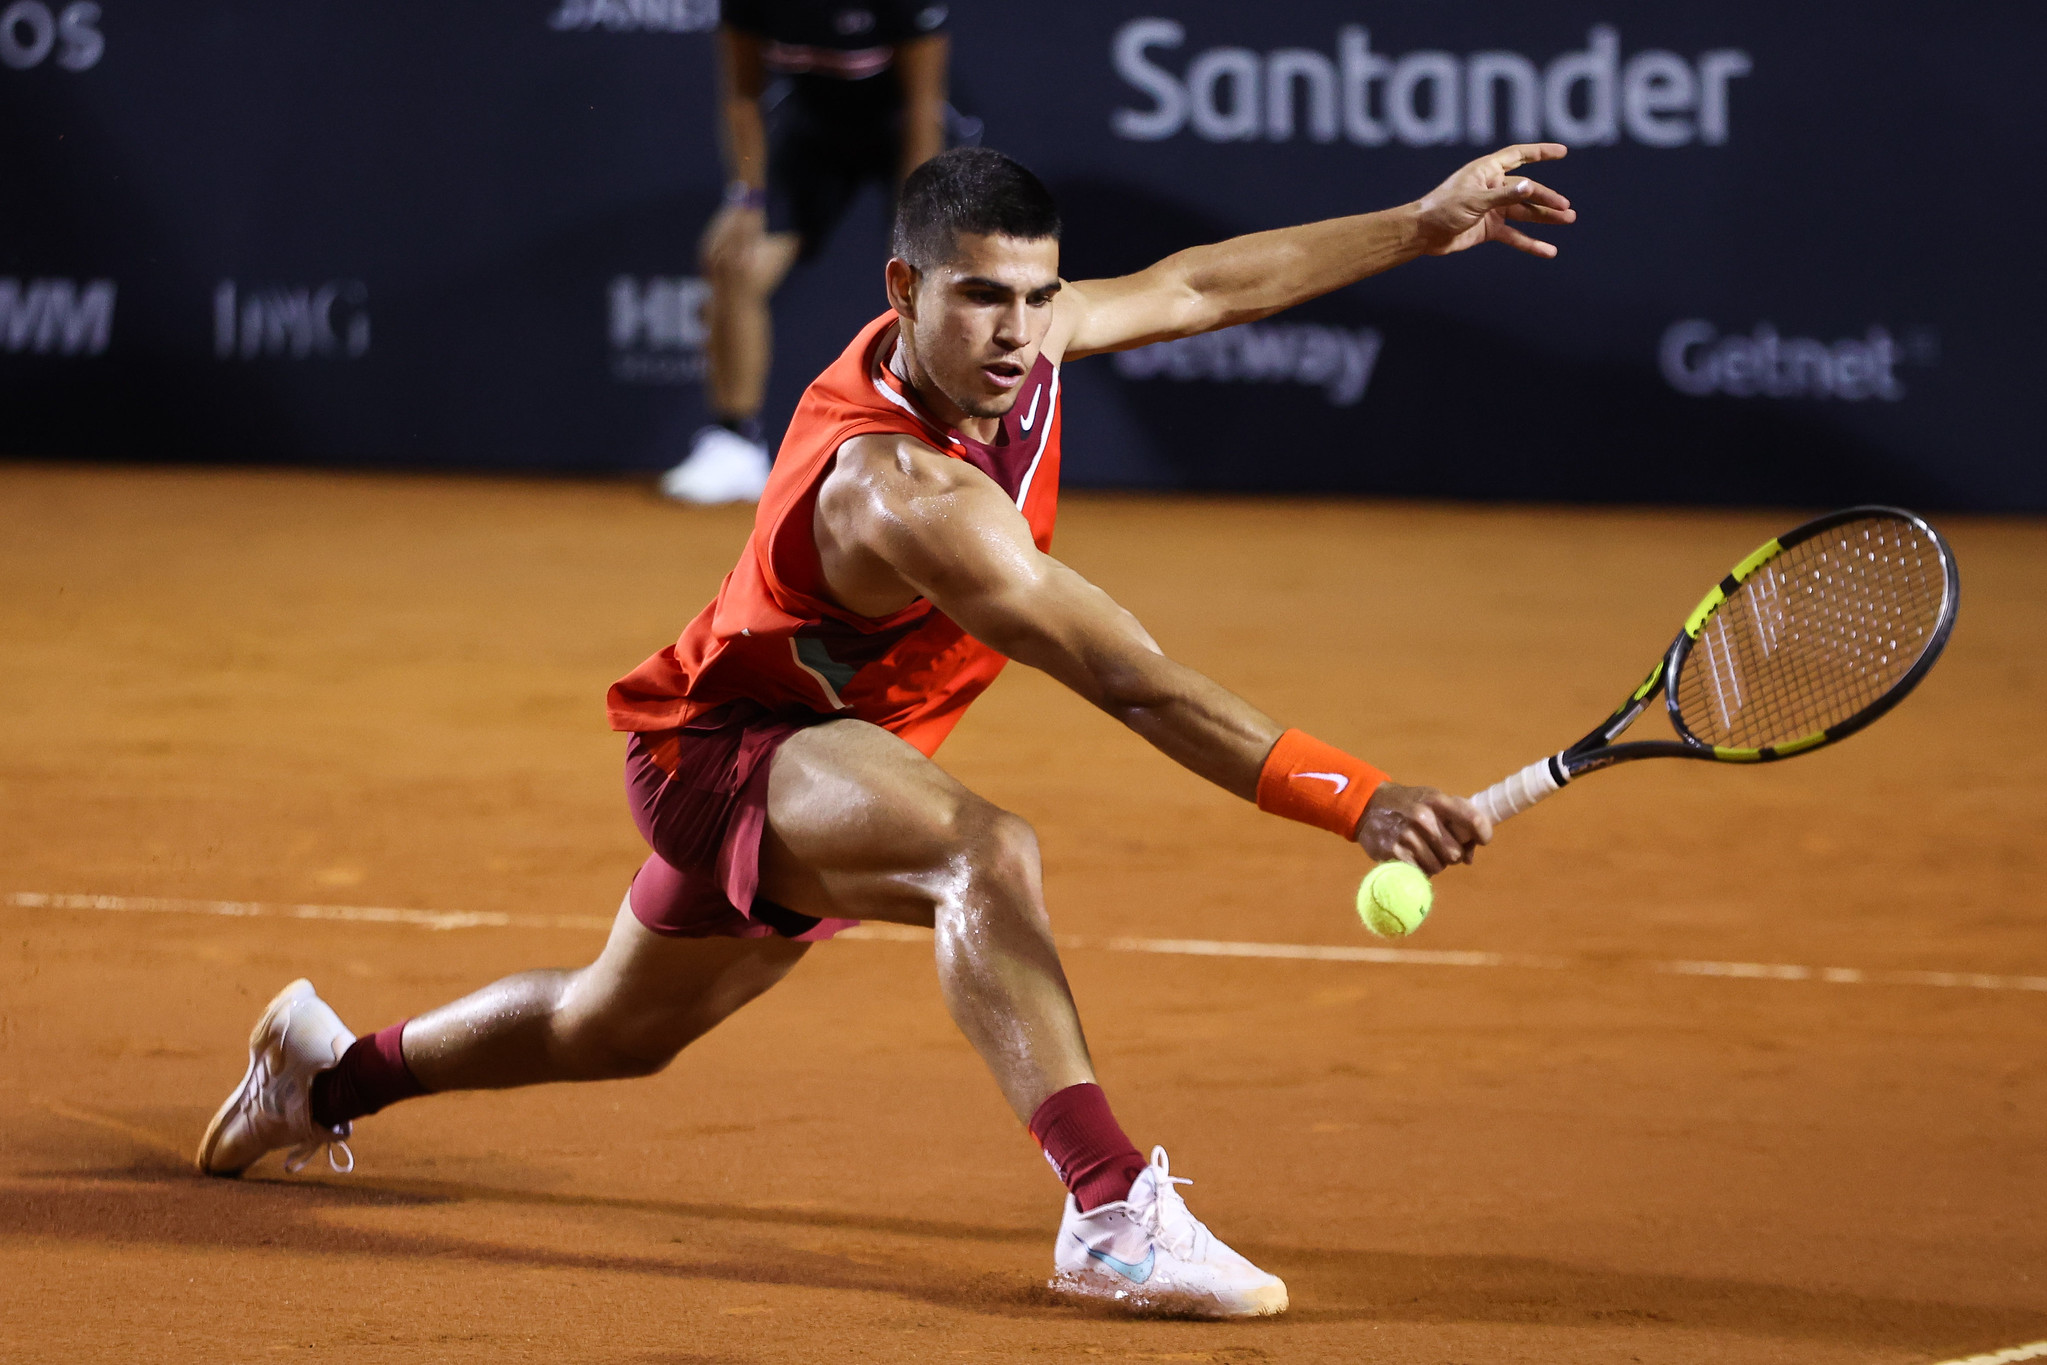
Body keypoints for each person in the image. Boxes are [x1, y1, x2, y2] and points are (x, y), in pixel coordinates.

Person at [199, 142, 1576, 1317]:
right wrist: (1356, 796)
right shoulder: (902, 490)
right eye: (981, 297)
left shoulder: (1018, 352)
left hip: (838, 755)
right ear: (904, 293)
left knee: (607, 1027)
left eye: (1037, 296)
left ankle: (324, 1074)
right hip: (727, 751)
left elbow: (1199, 282)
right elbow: (1131, 679)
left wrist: (1417, 225)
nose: (1020, 329)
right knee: (983, 855)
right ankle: (1107, 1214)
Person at [659, 0, 954, 504]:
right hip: (815, 137)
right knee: (732, 260)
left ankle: (947, 447)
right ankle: (735, 443)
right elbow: (742, 95)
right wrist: (746, 197)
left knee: (939, 274)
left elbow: (922, 104)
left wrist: (915, 224)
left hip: (903, 129)